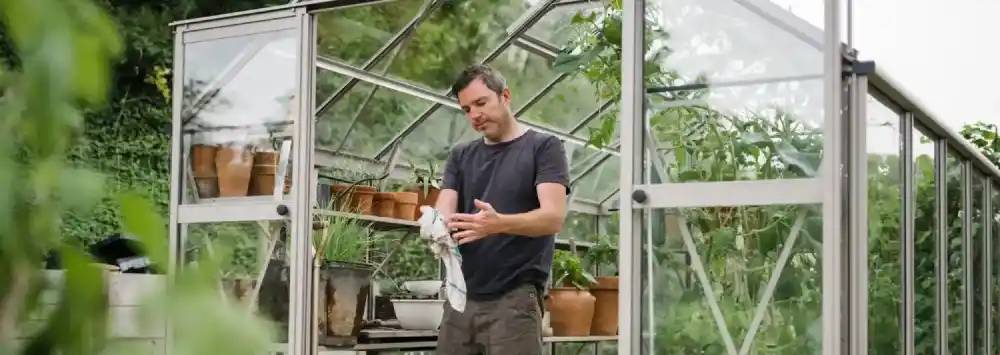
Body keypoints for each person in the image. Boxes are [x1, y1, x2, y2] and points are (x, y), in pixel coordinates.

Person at [434, 64, 570, 354]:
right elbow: (444, 207)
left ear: (505, 96)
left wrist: (498, 224)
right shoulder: (461, 156)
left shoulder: (544, 147)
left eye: (481, 103)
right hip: (461, 297)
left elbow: (553, 217)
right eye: (466, 109)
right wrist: (435, 225)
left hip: (515, 300)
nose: (475, 115)